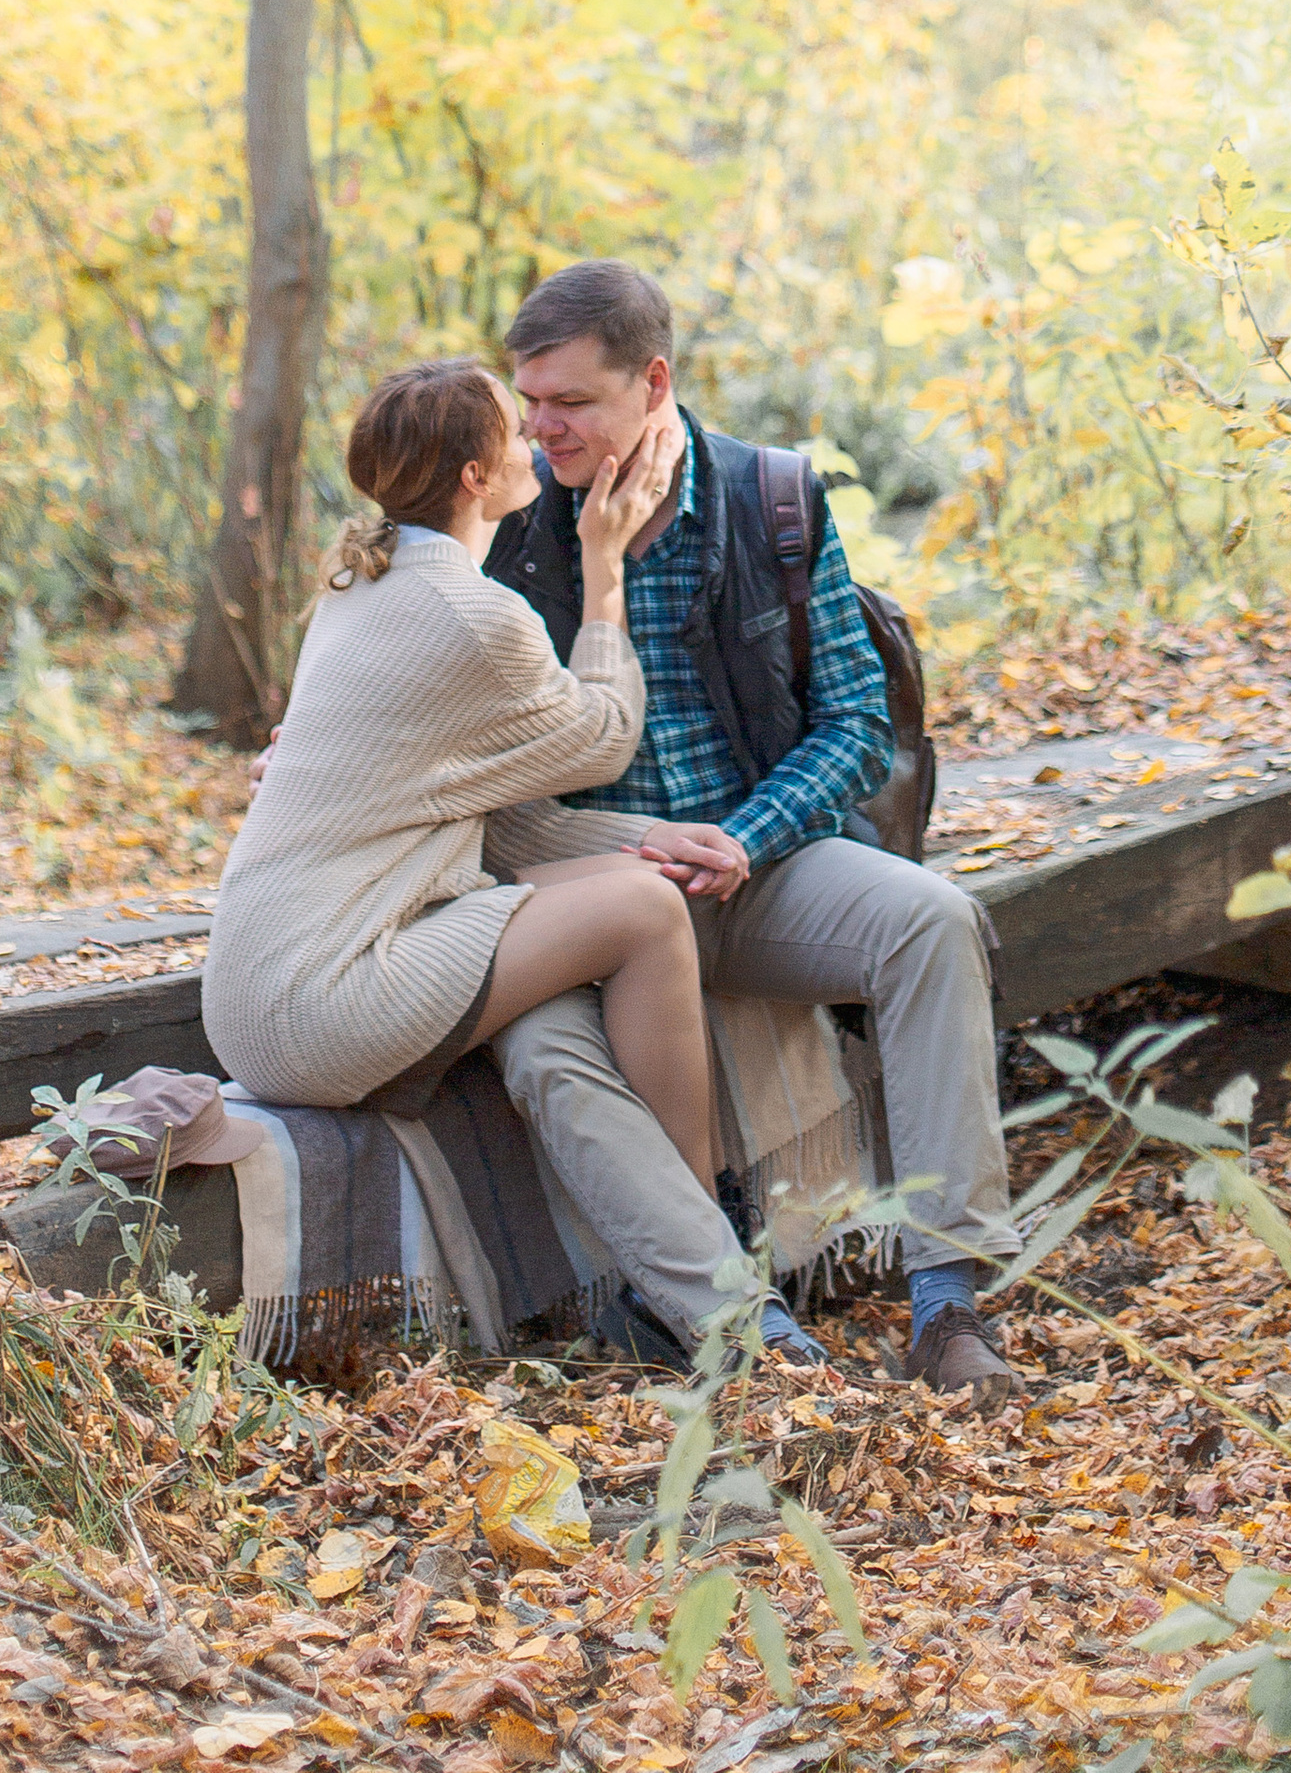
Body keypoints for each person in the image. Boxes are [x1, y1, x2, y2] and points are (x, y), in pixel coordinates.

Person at [483, 260, 1018, 1403]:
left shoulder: (769, 498)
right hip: (588, 900)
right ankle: (737, 1324)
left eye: (570, 402)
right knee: (537, 1052)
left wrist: (744, 837)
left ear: (652, 382)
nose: (541, 428)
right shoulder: (507, 518)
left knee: (932, 922)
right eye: (528, 401)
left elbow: (856, 725)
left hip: (753, 867)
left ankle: (947, 1303)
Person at [201, 358, 720, 1194]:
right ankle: (707, 1214)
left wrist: (651, 835)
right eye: (515, 429)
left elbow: (480, 810)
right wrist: (605, 563)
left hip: (254, 998)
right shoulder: (471, 614)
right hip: (322, 1004)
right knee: (650, 912)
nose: (534, 439)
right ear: (477, 478)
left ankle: (693, 1209)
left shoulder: (355, 586)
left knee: (641, 880)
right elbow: (607, 737)